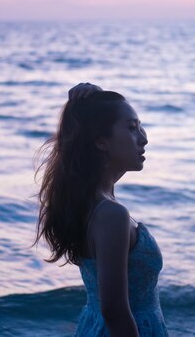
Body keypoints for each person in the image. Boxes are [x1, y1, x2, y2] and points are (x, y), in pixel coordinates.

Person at [32, 82, 168, 336]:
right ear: (101, 142)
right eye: (132, 128)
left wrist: (93, 100)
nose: (144, 137)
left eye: (140, 126)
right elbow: (115, 311)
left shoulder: (93, 204)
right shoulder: (110, 215)